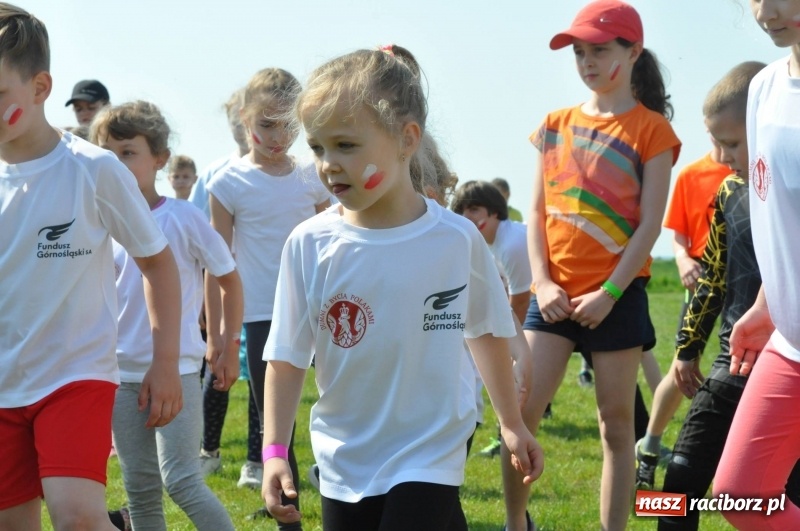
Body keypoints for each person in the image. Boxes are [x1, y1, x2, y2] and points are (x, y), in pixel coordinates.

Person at [260, 44, 543, 531]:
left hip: (429, 451)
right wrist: (273, 453)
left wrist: (512, 425)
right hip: (344, 457)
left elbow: (485, 331)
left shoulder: (455, 240)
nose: (328, 163)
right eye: (318, 147)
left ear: (406, 139)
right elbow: (286, 359)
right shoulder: (309, 243)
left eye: (346, 145)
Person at [0, 4, 183, 529]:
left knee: (77, 516)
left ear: (39, 87)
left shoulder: (93, 169)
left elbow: (160, 266)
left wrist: (165, 361)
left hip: (74, 375)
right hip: (4, 382)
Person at [520, 2, 681, 529]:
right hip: (553, 299)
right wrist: (541, 282)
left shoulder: (652, 130)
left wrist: (609, 293)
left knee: (615, 428)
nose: (586, 62)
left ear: (632, 52)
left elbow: (650, 226)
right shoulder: (553, 125)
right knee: (520, 417)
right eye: (579, 53)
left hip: (616, 298)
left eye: (599, 50)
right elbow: (538, 213)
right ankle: (515, 523)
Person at [655, 60, 800, 530]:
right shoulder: (729, 193)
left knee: (780, 495)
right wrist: (686, 348)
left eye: (732, 143)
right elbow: (712, 277)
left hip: (786, 362)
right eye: (714, 142)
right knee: (677, 480)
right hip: (731, 361)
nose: (719, 155)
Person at [91, 101, 243, 530]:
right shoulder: (99, 223)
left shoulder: (183, 217)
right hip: (119, 376)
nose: (117, 164)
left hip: (176, 371)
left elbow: (229, 278)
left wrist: (224, 341)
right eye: (108, 153)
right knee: (139, 490)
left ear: (159, 158)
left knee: (181, 480)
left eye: (128, 152)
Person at [207, 67, 331, 525]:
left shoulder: (313, 177)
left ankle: (348, 493)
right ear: (245, 119)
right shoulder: (227, 183)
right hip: (261, 315)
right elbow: (217, 263)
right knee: (278, 428)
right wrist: (219, 333)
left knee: (342, 406)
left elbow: (338, 238)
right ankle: (288, 515)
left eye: (288, 126)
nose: (278, 137)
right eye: (267, 124)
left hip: (321, 310)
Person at [713, 2, 800, 529]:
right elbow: (778, 213)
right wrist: (769, 305)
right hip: (790, 346)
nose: (766, 10)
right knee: (742, 494)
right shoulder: (764, 89)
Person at [635, 105, 737, 493]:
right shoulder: (692, 174)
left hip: (746, 283)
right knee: (684, 365)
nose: (723, 146)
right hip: (702, 280)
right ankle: (651, 445)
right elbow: (676, 231)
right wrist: (680, 260)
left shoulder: (751, 167)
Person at [189, 89, 248, 218]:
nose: (244, 131)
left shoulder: (286, 171)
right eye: (238, 125)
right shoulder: (214, 173)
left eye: (247, 123)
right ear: (229, 124)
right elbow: (194, 221)